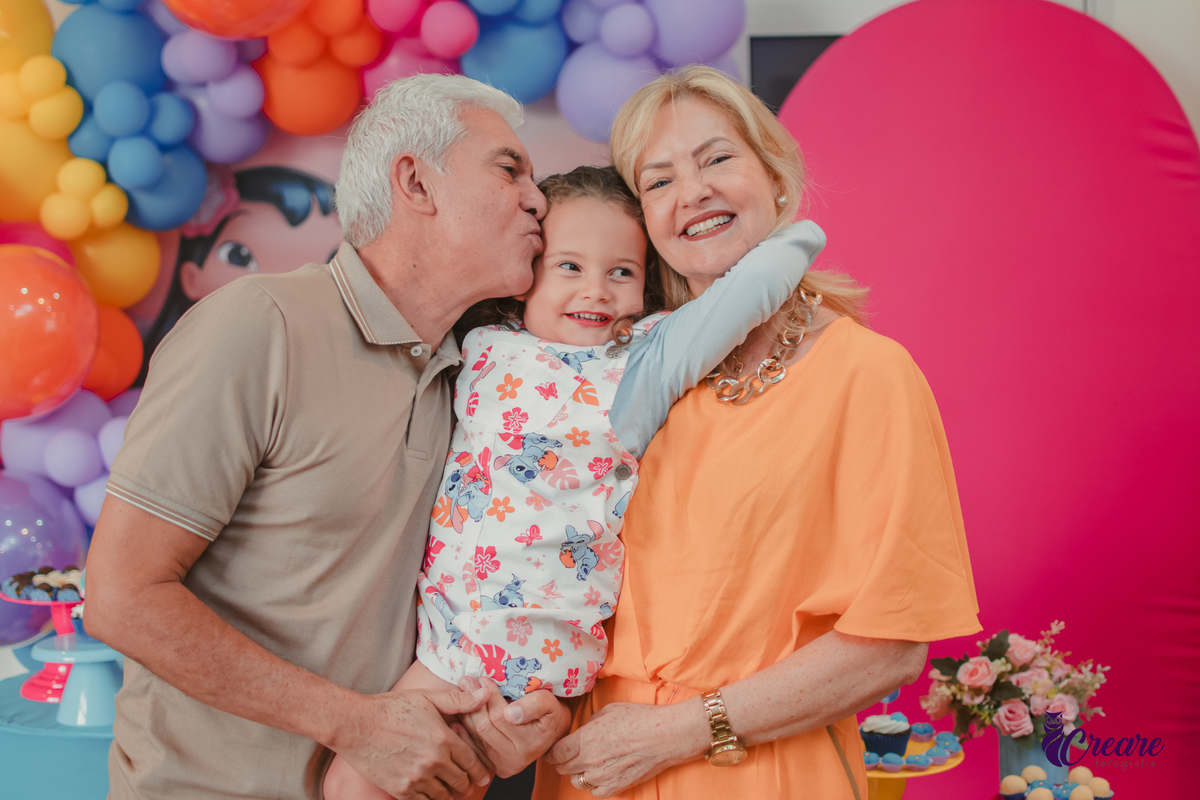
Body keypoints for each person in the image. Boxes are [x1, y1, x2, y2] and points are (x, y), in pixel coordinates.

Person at [84, 74, 572, 800]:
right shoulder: (259, 325)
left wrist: (489, 732)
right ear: (416, 181)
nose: (538, 197)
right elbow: (121, 597)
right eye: (509, 169)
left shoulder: (478, 377)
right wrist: (355, 725)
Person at [534, 66, 982, 799]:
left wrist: (674, 731)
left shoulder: (866, 375)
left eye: (716, 159)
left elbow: (894, 646)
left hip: (760, 773)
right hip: (593, 770)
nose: (694, 192)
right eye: (659, 181)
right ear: (644, 220)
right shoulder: (608, 373)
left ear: (776, 176)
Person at [324, 165, 825, 799]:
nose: (596, 291)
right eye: (568, 267)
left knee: (353, 786)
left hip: (530, 654)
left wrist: (799, 232)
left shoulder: (641, 361)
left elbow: (745, 295)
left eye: (621, 271)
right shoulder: (484, 340)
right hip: (448, 639)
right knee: (361, 784)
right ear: (526, 273)